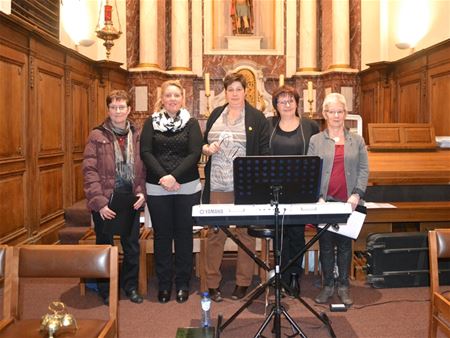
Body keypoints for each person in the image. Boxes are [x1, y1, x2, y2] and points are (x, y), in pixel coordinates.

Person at [202, 72, 270, 302]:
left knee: (245, 235)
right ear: (226, 92)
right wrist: (206, 149)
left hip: (244, 187)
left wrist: (257, 182)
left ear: (245, 91)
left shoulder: (257, 118)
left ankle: (243, 282)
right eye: (230, 89)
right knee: (215, 234)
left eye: (238, 89)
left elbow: (263, 152)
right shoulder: (215, 115)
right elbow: (203, 143)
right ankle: (212, 283)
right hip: (218, 186)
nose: (234, 93)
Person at [140, 80, 203, 304]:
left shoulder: (192, 123)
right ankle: (165, 284)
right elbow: (146, 152)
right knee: (163, 235)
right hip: (157, 187)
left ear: (182, 98)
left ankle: (183, 283)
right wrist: (164, 178)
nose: (172, 99)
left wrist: (174, 176)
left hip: (186, 186)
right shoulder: (151, 122)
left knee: (184, 235)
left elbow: (194, 153)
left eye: (176, 95)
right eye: (168, 95)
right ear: (162, 98)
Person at [83, 89, 146, 305]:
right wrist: (99, 203)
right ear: (108, 109)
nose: (117, 111)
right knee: (105, 245)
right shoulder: (97, 135)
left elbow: (145, 168)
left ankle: (130, 287)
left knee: (131, 246)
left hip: (130, 198)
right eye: (113, 107)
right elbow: (89, 171)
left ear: (129, 109)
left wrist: (142, 193)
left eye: (121, 107)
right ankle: (105, 289)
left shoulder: (138, 134)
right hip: (106, 199)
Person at [308, 93, 369, 306]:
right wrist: (318, 197)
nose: (336, 116)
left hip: (349, 201)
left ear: (345, 114)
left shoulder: (357, 140)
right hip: (325, 201)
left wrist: (357, 193)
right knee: (325, 245)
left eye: (340, 111)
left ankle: (343, 286)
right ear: (325, 114)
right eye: (331, 111)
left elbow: (363, 169)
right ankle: (327, 286)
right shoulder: (316, 140)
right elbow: (311, 170)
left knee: (345, 245)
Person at [267, 85, 320, 297]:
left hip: (301, 189)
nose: (287, 105)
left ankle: (295, 276)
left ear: (297, 103)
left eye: (290, 100)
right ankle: (281, 275)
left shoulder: (310, 126)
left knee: (296, 234)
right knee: (279, 235)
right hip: (274, 189)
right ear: (275, 106)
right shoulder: (269, 125)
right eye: (282, 101)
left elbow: (317, 154)